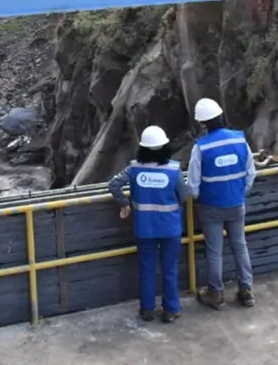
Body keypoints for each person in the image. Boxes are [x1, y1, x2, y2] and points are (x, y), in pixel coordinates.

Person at [108, 125, 188, 323]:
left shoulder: (134, 168)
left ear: (142, 148)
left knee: (146, 269)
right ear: (165, 147)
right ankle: (171, 310)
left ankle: (147, 310)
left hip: (144, 227)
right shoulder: (173, 169)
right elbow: (184, 196)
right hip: (170, 227)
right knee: (169, 269)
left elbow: (114, 184)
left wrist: (124, 204)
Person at [187, 97, 258, 309]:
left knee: (214, 251)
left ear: (202, 123)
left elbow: (192, 185)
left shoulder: (201, 148)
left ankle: (216, 294)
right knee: (240, 246)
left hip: (211, 207)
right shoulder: (239, 140)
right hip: (237, 204)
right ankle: (247, 291)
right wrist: (238, 193)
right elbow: (250, 173)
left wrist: (204, 197)